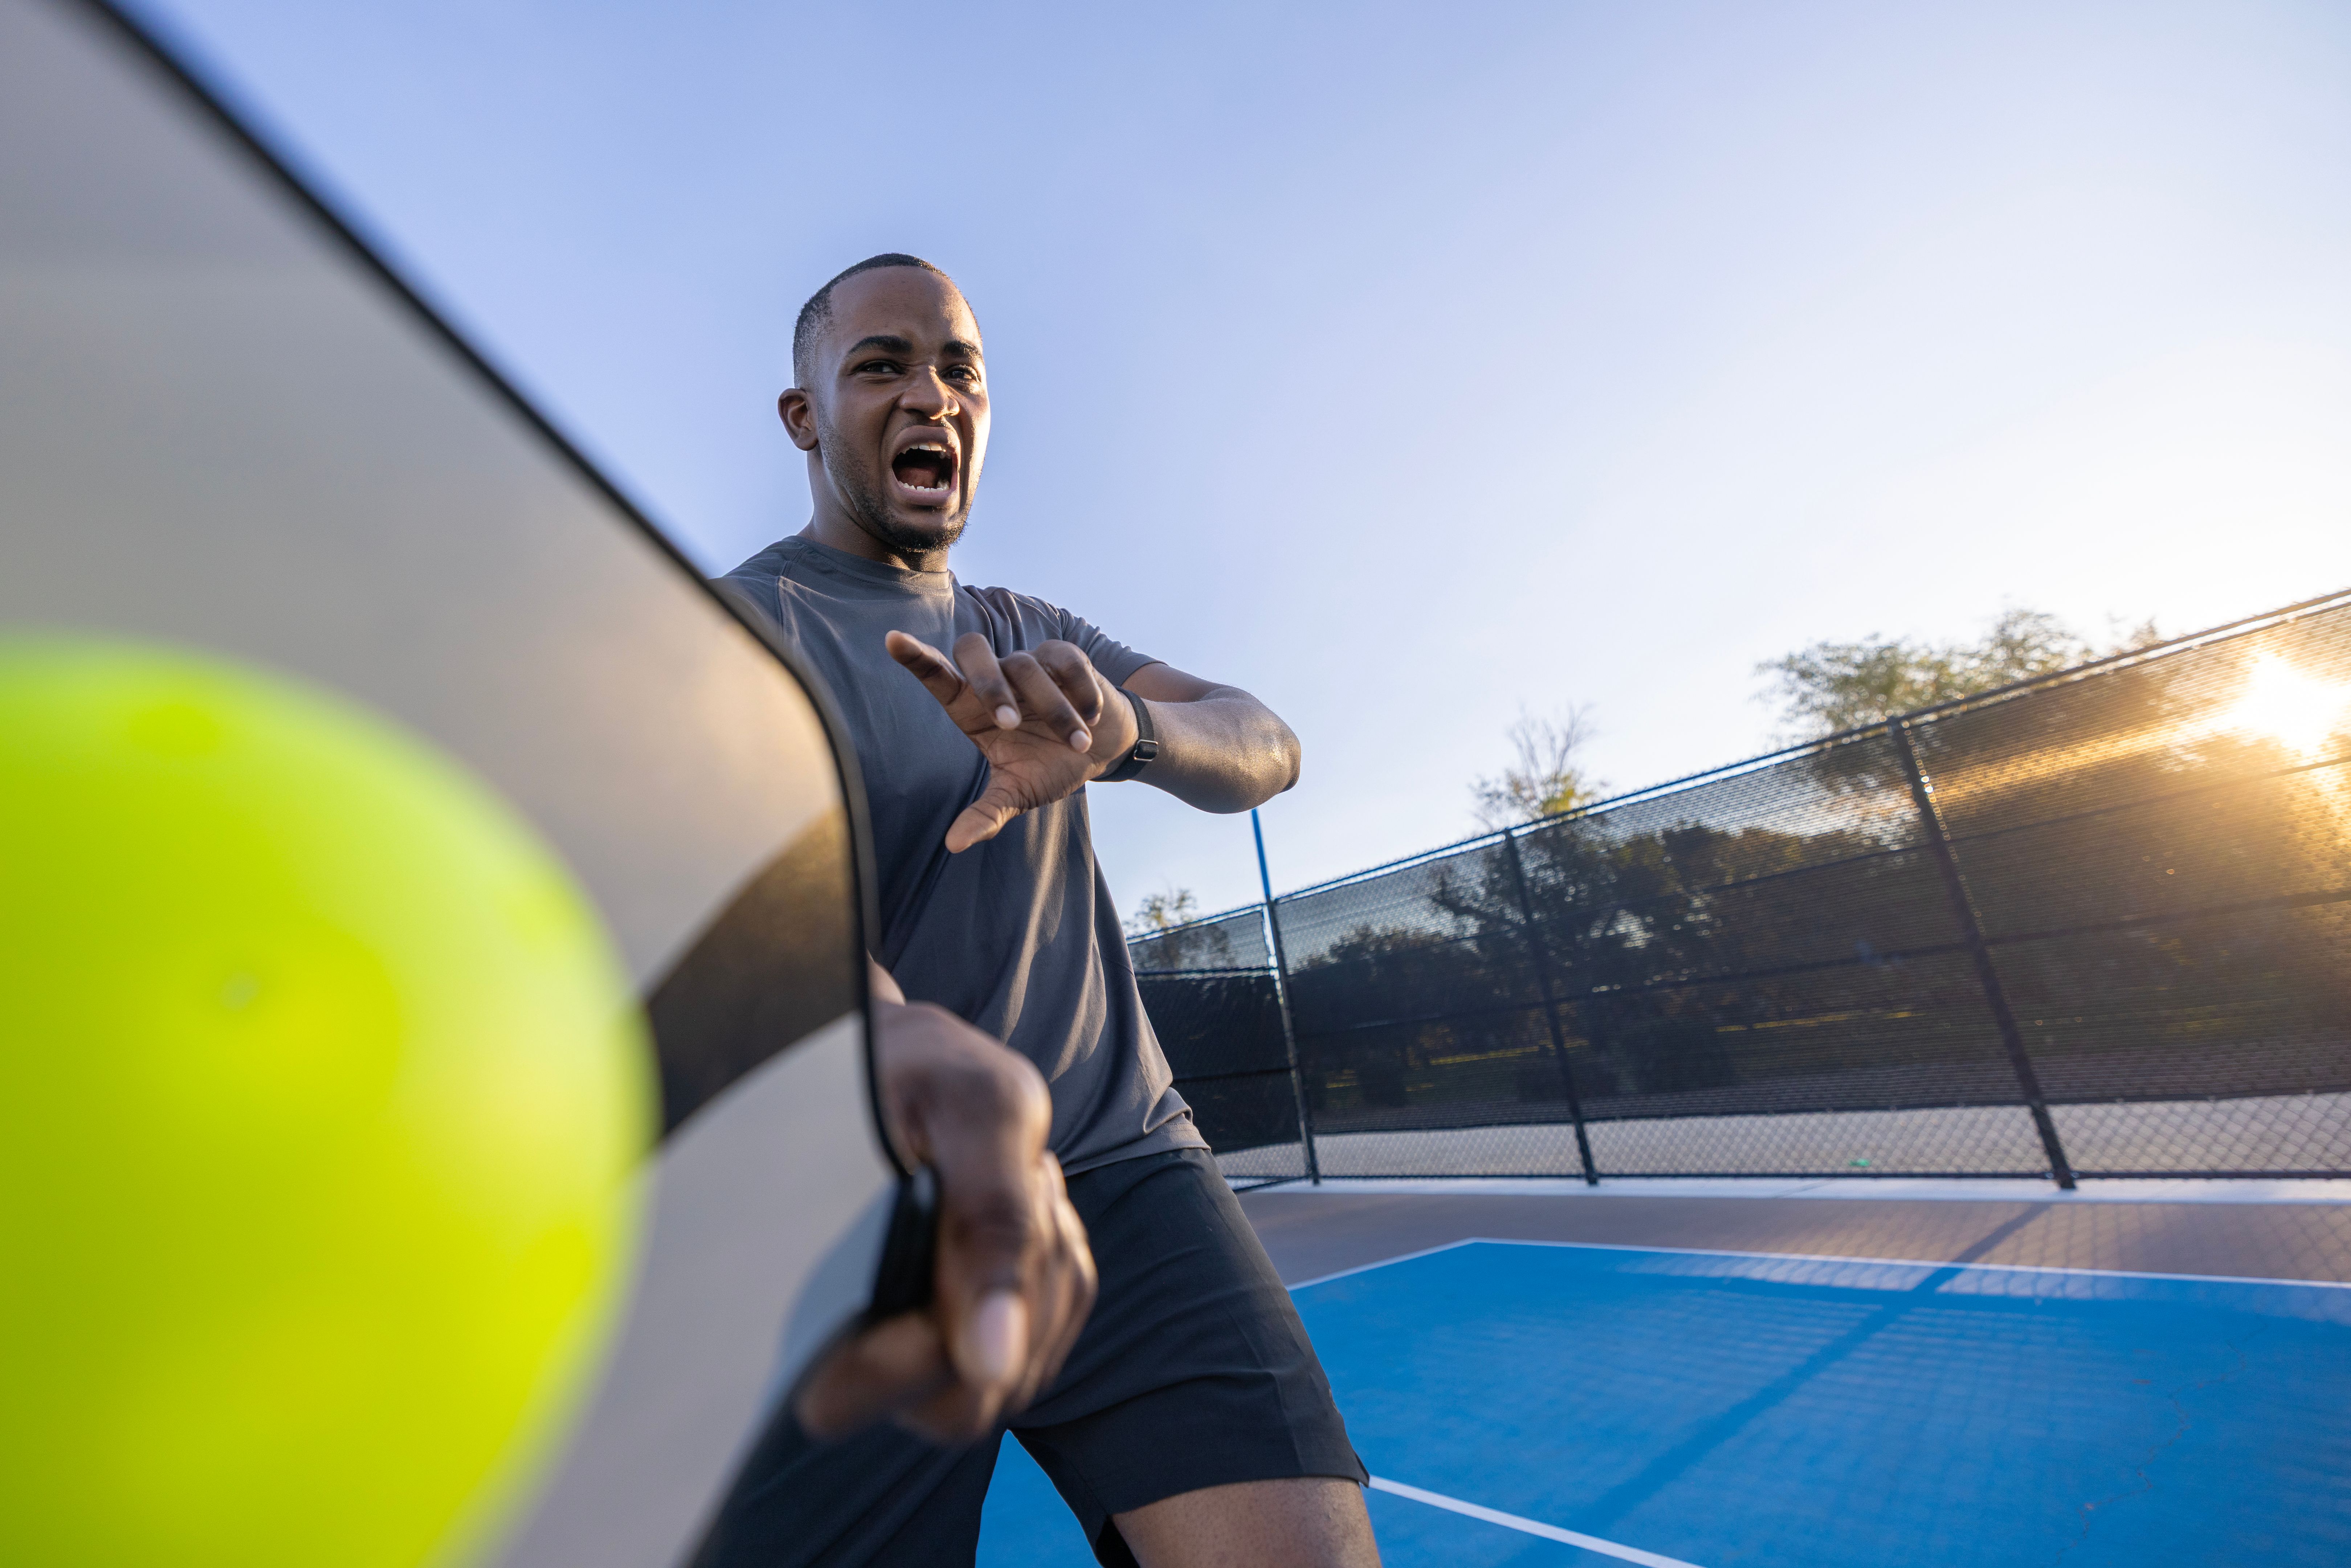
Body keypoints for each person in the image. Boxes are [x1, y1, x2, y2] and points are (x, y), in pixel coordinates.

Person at [699, 255, 1379, 1568]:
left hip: (1124, 1171)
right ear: (805, 418)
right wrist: (894, 1035)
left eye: (959, 368)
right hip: (852, 1223)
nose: (930, 395)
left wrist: (1127, 731)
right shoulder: (738, 633)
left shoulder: (1028, 629)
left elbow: (1265, 741)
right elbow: (757, 901)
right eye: (882, 365)